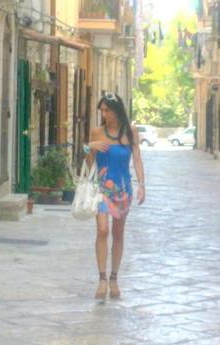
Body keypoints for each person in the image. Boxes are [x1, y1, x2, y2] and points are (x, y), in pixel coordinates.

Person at [83, 92, 146, 300]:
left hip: (123, 189)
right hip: (101, 188)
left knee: (118, 234)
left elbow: (137, 159)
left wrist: (141, 185)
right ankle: (101, 279)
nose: (103, 114)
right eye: (101, 110)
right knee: (102, 230)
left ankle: (114, 278)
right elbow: (90, 162)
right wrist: (89, 147)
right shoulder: (96, 132)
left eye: (107, 110)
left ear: (116, 111)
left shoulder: (130, 132)